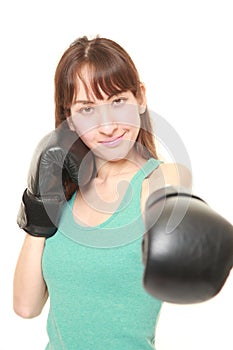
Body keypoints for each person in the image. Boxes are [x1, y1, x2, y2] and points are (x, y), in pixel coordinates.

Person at [13, 36, 191, 349]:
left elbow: (175, 204)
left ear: (140, 97)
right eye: (87, 109)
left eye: (117, 101)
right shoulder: (65, 189)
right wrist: (40, 202)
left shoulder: (158, 179)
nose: (107, 126)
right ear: (69, 116)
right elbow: (26, 306)